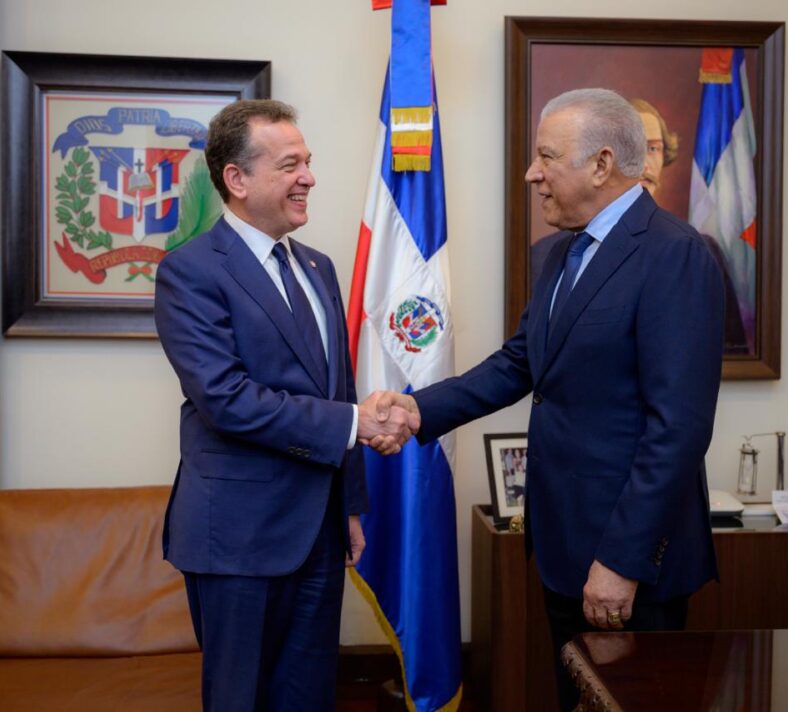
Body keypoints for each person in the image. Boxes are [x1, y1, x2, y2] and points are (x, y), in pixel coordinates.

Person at [373, 89, 724, 711]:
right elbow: (520, 362)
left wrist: (621, 561)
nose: (532, 173)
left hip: (628, 560)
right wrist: (418, 409)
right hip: (562, 546)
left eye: (547, 157)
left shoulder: (675, 254)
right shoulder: (562, 252)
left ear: (602, 164)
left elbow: (678, 428)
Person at [154, 99, 417, 712]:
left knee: (309, 698)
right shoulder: (189, 272)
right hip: (238, 539)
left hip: (319, 532)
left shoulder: (318, 268)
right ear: (237, 179)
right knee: (240, 700)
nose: (309, 178)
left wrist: (350, 505)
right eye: (290, 165)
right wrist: (356, 424)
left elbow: (336, 390)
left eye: (308, 162)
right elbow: (227, 400)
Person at [631, 97, 748, 353]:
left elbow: (730, 348)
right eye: (633, 149)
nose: (645, 164)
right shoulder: (577, 250)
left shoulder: (701, 250)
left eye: (653, 148)